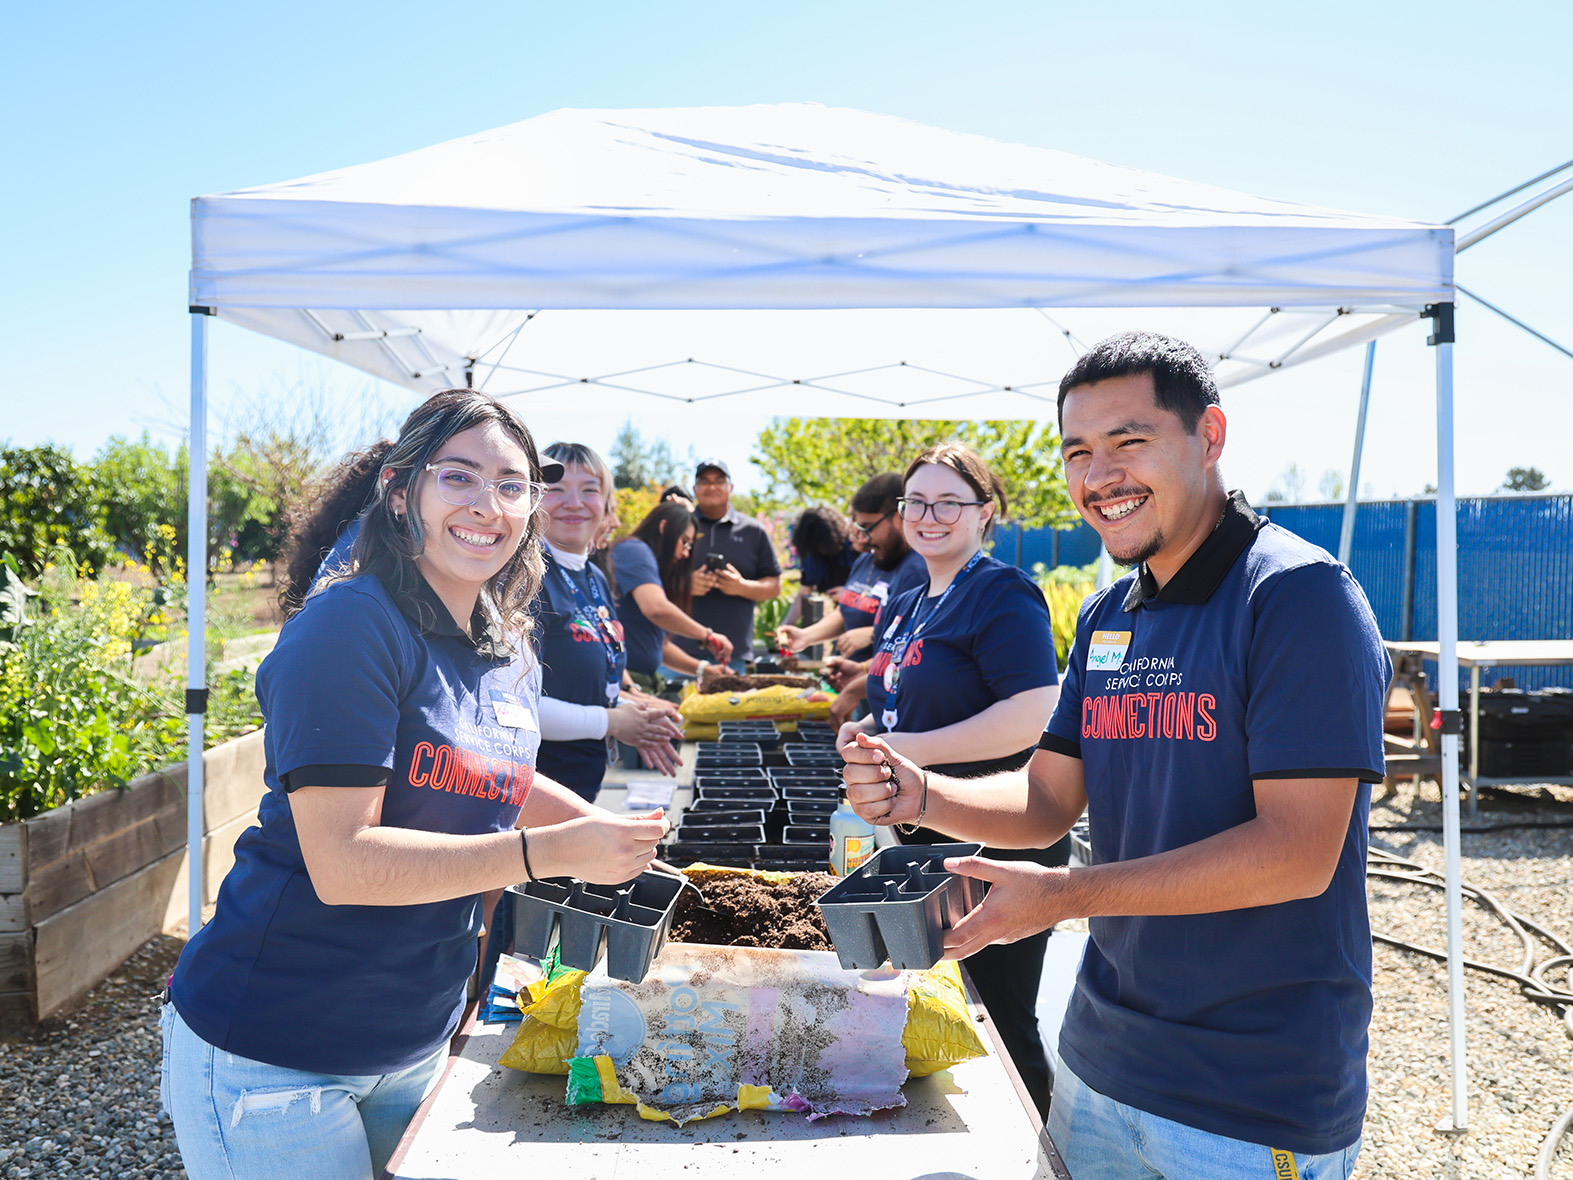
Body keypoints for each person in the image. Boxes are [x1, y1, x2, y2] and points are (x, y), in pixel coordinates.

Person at [842, 332, 1390, 1178]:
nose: (1099, 477)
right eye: (1077, 452)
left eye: (1129, 442)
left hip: (1245, 1096)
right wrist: (923, 796)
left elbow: (1296, 855)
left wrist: (1063, 896)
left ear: (1208, 436)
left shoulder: (1295, 596)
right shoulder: (1108, 614)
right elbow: (1047, 801)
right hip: (1099, 1064)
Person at [162, 390, 671, 1180]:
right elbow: (345, 863)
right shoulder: (351, 627)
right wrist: (547, 853)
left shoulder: (501, 642)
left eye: (510, 485)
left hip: (411, 1039)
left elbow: (499, 776)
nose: (487, 505)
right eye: (459, 477)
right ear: (403, 493)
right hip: (276, 1051)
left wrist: (627, 853)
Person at [835, 443, 1067, 1117]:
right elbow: (903, 700)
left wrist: (909, 746)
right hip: (924, 838)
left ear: (983, 514)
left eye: (947, 502)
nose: (928, 516)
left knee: (998, 1014)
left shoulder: (1000, 593)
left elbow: (1033, 711)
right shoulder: (906, 601)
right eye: (915, 502)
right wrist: (873, 732)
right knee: (940, 1006)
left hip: (998, 839)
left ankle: (1033, 1149)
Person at [534, 442, 684, 791]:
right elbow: (518, 709)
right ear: (533, 499)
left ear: (605, 505)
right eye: (556, 490)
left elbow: (591, 683)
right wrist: (612, 722)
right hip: (536, 794)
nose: (574, 503)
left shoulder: (594, 576)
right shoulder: (527, 581)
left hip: (583, 782)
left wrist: (637, 715)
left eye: (589, 490)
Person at [776, 473, 927, 724]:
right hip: (857, 688)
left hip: (892, 700)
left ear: (901, 517)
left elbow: (915, 647)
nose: (861, 535)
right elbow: (848, 609)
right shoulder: (868, 559)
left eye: (868, 526)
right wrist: (806, 636)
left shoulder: (918, 570)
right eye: (857, 525)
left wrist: (869, 643)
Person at [674, 458, 782, 672]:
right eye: (704, 481)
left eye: (719, 481)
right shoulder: (678, 526)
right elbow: (652, 580)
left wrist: (742, 587)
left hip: (732, 655)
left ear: (730, 487)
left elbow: (775, 587)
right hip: (678, 652)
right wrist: (683, 584)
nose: (712, 487)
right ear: (695, 489)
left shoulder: (753, 531)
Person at [611, 500, 733, 689]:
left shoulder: (648, 562)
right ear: (664, 527)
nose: (685, 553)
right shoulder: (634, 550)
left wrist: (705, 669)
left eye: (690, 546)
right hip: (627, 682)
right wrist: (707, 635)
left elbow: (658, 647)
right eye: (684, 542)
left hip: (643, 680)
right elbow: (657, 609)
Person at [780, 504, 857, 627]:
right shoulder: (813, 556)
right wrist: (787, 624)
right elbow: (803, 593)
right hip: (841, 619)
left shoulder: (855, 548)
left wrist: (849, 595)